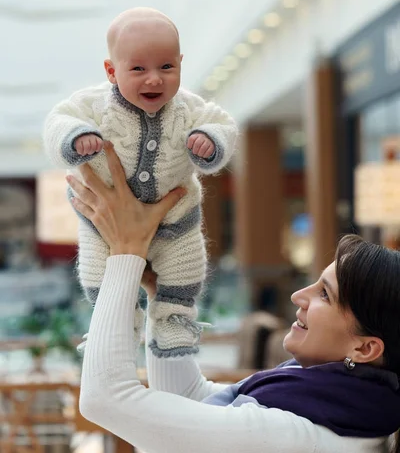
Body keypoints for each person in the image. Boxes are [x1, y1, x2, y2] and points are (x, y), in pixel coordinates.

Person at [73, 142, 400, 453]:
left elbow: (105, 398)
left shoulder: (296, 432)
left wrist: (125, 252)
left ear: (365, 348)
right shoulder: (341, 406)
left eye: (325, 295)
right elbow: (189, 398)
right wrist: (164, 293)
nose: (299, 295)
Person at [44, 7, 237, 358]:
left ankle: (174, 320)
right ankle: (118, 321)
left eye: (166, 67)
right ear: (111, 71)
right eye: (138, 69)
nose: (154, 79)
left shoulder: (189, 109)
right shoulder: (93, 105)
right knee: (98, 277)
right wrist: (76, 137)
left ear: (180, 63)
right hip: (103, 227)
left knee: (186, 268)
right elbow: (58, 120)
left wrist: (211, 140)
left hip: (176, 223)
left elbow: (222, 123)